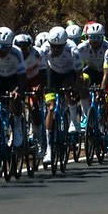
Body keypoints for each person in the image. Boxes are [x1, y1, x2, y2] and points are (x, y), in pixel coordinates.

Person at [0, 27, 27, 171]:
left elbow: (22, 77)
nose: (0, 50)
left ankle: (18, 127)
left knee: (15, 102)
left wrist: (17, 91)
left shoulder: (17, 52)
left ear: (10, 46)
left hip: (13, 79)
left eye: (4, 48)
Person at [42, 26, 83, 166]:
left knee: (67, 92)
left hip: (68, 73)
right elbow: (39, 69)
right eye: (54, 46)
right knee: (51, 108)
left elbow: (79, 74)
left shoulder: (73, 49)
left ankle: (73, 120)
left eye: (59, 47)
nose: (56, 50)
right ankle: (48, 148)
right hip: (52, 73)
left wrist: (78, 88)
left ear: (65, 44)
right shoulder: (44, 48)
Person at [14, 33, 47, 158]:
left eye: (26, 48)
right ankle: (14, 131)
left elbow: (43, 72)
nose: (23, 51)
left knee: (34, 107)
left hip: (34, 79)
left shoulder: (37, 54)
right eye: (20, 48)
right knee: (15, 103)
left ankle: (39, 140)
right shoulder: (13, 54)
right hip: (19, 80)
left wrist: (40, 86)